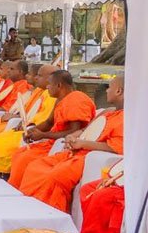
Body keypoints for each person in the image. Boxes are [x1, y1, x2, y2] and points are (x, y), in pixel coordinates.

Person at [18, 75, 124, 212]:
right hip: (73, 151)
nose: (106, 91)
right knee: (36, 166)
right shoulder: (108, 112)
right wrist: (74, 136)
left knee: (54, 177)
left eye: (109, 87)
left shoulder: (126, 118)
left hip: (87, 157)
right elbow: (86, 130)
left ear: (119, 91)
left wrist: (82, 143)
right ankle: (27, 209)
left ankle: (50, 217)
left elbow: (116, 147)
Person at [8, 70, 96, 188]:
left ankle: (23, 192)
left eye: (49, 84)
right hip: (51, 142)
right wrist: (31, 131)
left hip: (64, 146)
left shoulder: (76, 99)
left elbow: (74, 132)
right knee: (20, 153)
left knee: (25, 159)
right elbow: (49, 122)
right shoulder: (60, 100)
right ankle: (15, 189)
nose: (47, 87)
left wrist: (43, 135)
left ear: (59, 85)